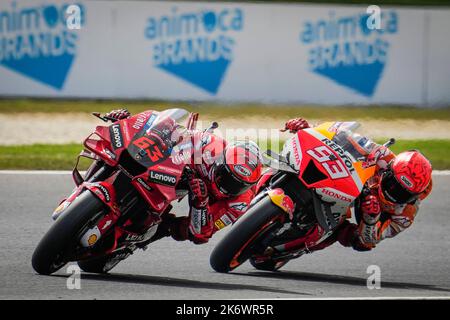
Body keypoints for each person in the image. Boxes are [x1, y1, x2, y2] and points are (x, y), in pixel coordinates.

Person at [105, 109, 263, 244]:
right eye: (227, 178)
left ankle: (150, 232)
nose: (229, 187)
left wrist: (201, 202)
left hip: (202, 202)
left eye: (239, 185)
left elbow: (202, 234)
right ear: (220, 162)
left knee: (185, 231)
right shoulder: (210, 146)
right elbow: (175, 131)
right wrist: (131, 123)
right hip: (179, 173)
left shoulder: (239, 203)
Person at [282, 117, 433, 252]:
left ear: (414, 196)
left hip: (370, 212)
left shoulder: (405, 216)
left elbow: (371, 240)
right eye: (393, 184)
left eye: (403, 194)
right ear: (389, 170)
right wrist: (309, 129)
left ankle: (297, 247)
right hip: (354, 183)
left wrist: (371, 219)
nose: (392, 192)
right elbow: (339, 135)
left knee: (356, 240)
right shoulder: (383, 156)